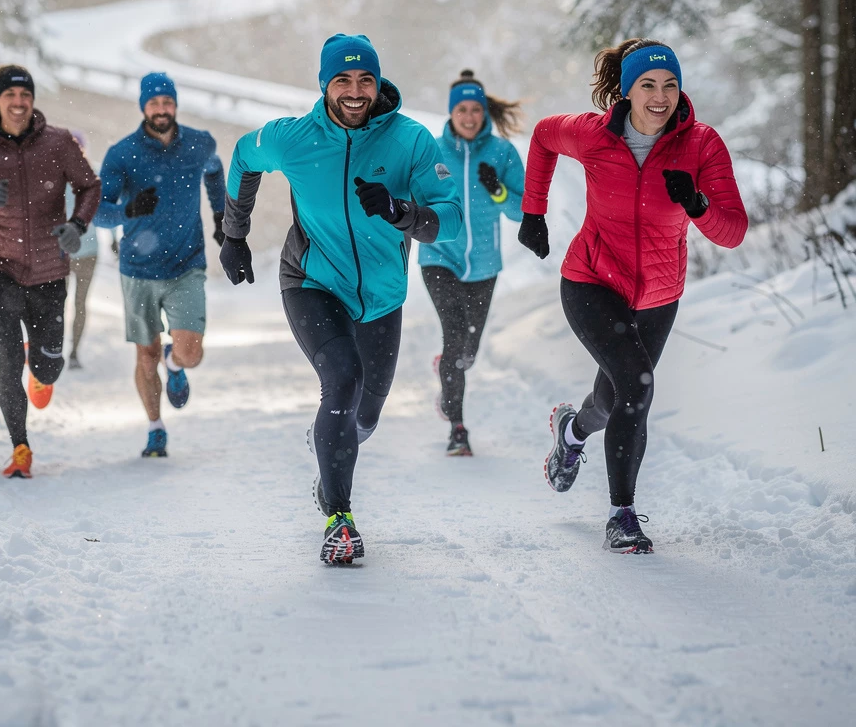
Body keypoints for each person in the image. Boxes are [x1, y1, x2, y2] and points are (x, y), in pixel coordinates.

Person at [219, 34, 463, 564]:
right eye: (343, 80)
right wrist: (233, 234)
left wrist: (405, 214)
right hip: (311, 281)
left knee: (366, 414)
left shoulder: (411, 141)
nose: (355, 91)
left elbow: (452, 217)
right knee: (343, 379)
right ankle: (339, 517)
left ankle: (330, 451)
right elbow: (242, 156)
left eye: (365, 80)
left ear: (378, 83)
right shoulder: (294, 138)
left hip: (381, 296)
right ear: (325, 84)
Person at [519, 39, 747, 553]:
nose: (660, 97)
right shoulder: (594, 135)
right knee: (637, 386)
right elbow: (541, 136)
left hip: (658, 296)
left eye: (670, 85)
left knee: (612, 397)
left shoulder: (701, 145)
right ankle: (621, 515)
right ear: (627, 91)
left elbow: (733, 231)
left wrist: (698, 205)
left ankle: (572, 432)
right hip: (591, 281)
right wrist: (533, 212)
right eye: (647, 85)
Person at [0, 65, 100, 478]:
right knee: (8, 358)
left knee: (48, 366)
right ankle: (20, 449)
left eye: (24, 95)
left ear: (32, 100)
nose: (18, 102)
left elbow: (90, 186)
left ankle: (42, 368)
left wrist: (77, 225)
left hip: (50, 269)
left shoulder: (59, 143)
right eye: (9, 95)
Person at [93, 73, 226, 459]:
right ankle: (155, 428)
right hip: (138, 270)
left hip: (186, 264)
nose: (161, 109)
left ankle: (176, 362)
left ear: (175, 105)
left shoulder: (200, 144)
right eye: (154, 103)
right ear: (143, 107)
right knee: (145, 354)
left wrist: (220, 216)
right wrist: (127, 210)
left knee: (191, 352)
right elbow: (97, 211)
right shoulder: (122, 153)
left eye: (167, 102)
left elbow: (215, 172)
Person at [418, 70, 525, 456]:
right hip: (438, 256)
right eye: (461, 109)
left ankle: (450, 371)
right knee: (454, 332)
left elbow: (521, 211)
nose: (468, 116)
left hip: (483, 264)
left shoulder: (501, 153)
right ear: (452, 112)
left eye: (475, 109)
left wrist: (497, 190)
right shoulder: (431, 151)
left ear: (484, 112)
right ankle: (457, 427)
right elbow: (414, 199)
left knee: (467, 353)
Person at [66, 130, 99, 370]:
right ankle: (55, 349)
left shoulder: (93, 177)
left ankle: (74, 352)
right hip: (62, 251)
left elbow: (104, 209)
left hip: (87, 252)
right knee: (58, 302)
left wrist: (115, 238)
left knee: (79, 303)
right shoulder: (56, 177)